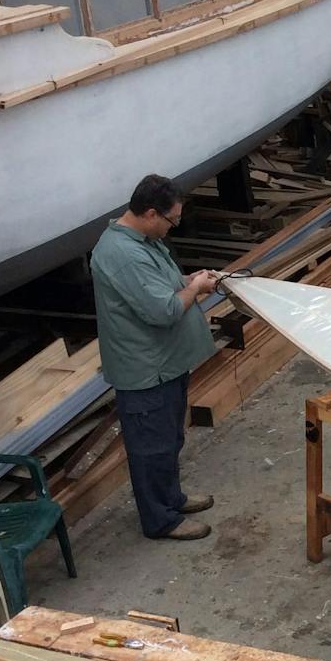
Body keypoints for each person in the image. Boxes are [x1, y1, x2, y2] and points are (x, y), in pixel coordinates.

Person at [90, 175, 219, 542]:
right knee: (151, 448)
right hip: (146, 370)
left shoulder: (141, 240)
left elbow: (160, 282)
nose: (172, 227)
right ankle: (160, 520)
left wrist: (186, 279)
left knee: (170, 438)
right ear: (150, 213)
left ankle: (171, 498)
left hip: (166, 364)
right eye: (171, 220)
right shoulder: (122, 254)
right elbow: (162, 311)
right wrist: (194, 290)